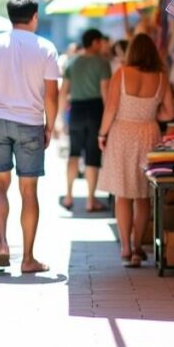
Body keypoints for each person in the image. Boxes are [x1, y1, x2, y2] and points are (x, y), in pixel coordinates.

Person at [0, 0, 59, 273]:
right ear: (34, 17)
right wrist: (50, 126)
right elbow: (52, 95)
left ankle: (2, 244)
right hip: (30, 122)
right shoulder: (46, 47)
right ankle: (28, 258)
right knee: (28, 190)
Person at [97, 33, 174, 267]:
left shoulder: (121, 73)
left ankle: (125, 248)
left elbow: (111, 108)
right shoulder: (161, 78)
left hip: (122, 133)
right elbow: (169, 113)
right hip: (148, 134)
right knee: (143, 195)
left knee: (123, 193)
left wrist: (102, 133)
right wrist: (152, 115)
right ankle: (139, 247)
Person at [60, 28, 112, 213]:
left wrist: (61, 119)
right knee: (92, 156)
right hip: (95, 110)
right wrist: (109, 118)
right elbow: (106, 93)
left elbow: (63, 91)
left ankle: (68, 195)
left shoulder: (72, 62)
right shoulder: (102, 63)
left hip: (76, 110)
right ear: (96, 42)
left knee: (73, 153)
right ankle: (91, 200)